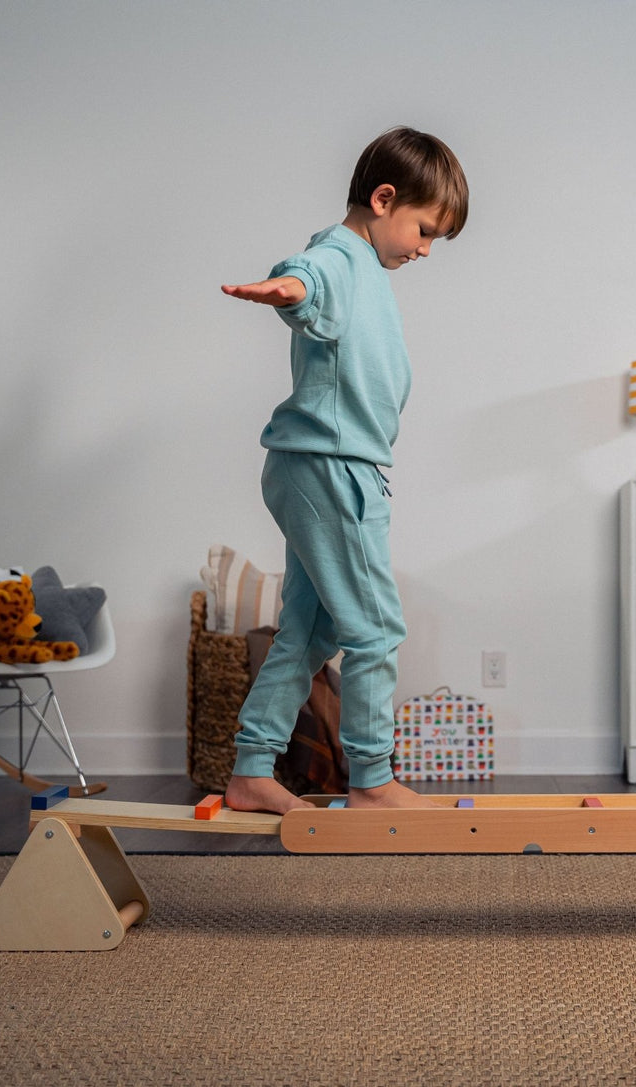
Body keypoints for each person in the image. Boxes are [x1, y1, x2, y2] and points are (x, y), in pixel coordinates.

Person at [219, 127, 469, 813]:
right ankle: (370, 779)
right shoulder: (340, 256)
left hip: (328, 466)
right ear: (383, 199)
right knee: (375, 629)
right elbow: (310, 278)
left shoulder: (367, 267)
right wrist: (288, 289)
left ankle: (250, 770)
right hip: (331, 468)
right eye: (423, 230)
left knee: (312, 628)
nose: (423, 249)